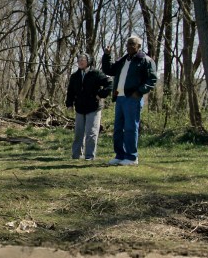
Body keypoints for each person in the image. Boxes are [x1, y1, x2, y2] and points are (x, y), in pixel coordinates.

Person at [101, 36, 158, 166]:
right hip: (119, 97)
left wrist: (139, 92)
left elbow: (152, 79)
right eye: (128, 44)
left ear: (138, 46)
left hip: (132, 98)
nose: (129, 46)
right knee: (118, 129)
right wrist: (107, 55)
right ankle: (120, 155)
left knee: (131, 127)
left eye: (132, 44)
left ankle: (132, 157)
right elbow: (109, 70)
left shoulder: (145, 60)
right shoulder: (123, 60)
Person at [65, 53, 112, 160]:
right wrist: (69, 104)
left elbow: (109, 83)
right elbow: (70, 92)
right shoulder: (74, 76)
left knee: (91, 133)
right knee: (78, 133)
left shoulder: (96, 73)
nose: (80, 61)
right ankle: (76, 156)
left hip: (94, 107)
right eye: (79, 60)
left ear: (89, 61)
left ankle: (89, 157)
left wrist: (101, 94)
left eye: (83, 59)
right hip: (80, 108)